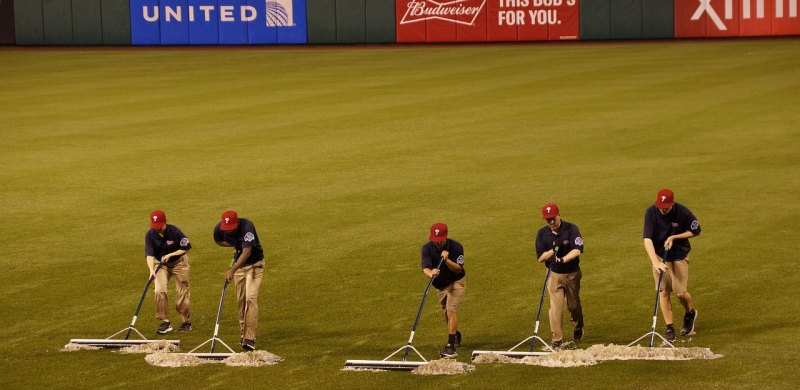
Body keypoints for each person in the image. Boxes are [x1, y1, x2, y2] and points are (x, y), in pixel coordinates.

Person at [643, 188, 701, 342]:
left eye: (666, 206)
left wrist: (675, 236)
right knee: (663, 291)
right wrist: (655, 262)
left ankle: (690, 313)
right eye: (660, 205)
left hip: (679, 255)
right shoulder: (651, 212)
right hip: (660, 256)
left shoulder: (681, 211)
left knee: (680, 293)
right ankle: (669, 327)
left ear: (672, 203)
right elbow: (647, 239)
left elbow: (696, 230)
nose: (662, 208)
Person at [213, 210, 265, 351]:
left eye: (232, 229)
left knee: (250, 298)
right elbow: (218, 241)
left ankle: (250, 337)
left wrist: (232, 269)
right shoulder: (219, 229)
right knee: (241, 300)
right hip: (239, 268)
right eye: (227, 229)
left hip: (254, 264)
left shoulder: (247, 226)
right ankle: (243, 334)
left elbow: (247, 252)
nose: (229, 232)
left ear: (237, 223)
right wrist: (234, 246)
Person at [535, 203, 584, 350]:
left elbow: (578, 250)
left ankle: (578, 326)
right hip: (554, 274)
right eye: (548, 219)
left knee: (573, 306)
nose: (551, 222)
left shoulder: (571, 228)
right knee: (555, 308)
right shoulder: (542, 234)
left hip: (572, 273)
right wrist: (553, 250)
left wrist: (562, 259)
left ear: (559, 215)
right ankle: (557, 339)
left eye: (553, 219)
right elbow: (540, 258)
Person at [420, 222, 466, 357]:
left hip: (456, 282)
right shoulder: (427, 248)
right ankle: (455, 334)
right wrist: (431, 273)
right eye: (435, 240)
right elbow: (425, 267)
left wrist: (447, 260)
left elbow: (458, 269)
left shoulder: (456, 247)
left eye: (440, 240)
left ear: (445, 237)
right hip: (440, 285)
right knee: (446, 312)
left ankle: (450, 346)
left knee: (451, 309)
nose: (437, 242)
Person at [144, 210, 192, 334]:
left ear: (165, 222)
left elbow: (186, 248)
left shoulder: (174, 232)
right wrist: (151, 270)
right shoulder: (150, 235)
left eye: (160, 225)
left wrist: (171, 254)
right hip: (161, 265)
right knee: (159, 290)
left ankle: (186, 321)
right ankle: (165, 322)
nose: (158, 228)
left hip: (179, 263)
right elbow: (149, 255)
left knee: (182, 291)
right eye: (155, 226)